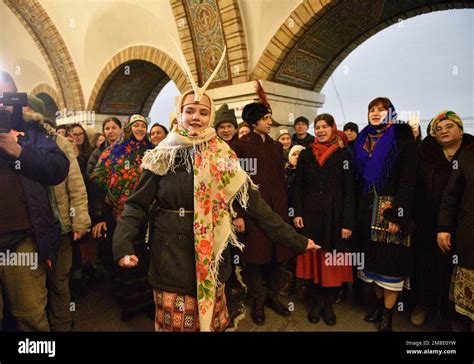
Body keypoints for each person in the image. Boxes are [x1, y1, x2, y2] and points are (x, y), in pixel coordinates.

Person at [112, 49, 318, 332]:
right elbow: (135, 206)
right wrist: (122, 245)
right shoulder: (162, 155)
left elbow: (254, 204)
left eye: (203, 112)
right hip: (171, 261)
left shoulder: (222, 155)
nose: (196, 117)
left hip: (211, 265)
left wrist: (295, 240)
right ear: (180, 114)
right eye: (190, 111)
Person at [0, 71, 70, 330]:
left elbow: (58, 168)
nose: (1, 104)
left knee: (31, 316)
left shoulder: (32, 131)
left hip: (22, 243)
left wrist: (16, 149)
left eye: (6, 97)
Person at [232, 92, 300, 325]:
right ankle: (258, 301)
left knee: (278, 257)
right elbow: (234, 185)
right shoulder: (239, 147)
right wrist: (239, 215)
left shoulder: (274, 146)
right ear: (253, 122)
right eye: (265, 118)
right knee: (255, 259)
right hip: (252, 213)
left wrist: (287, 212)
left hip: (278, 211)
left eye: (269, 118)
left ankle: (273, 296)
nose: (270, 122)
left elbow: (281, 180)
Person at [354, 97, 417, 332]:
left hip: (391, 211)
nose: (376, 113)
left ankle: (388, 317)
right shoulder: (363, 138)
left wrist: (399, 215)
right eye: (371, 109)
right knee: (373, 267)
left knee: (390, 266)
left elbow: (408, 181)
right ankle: (379, 308)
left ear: (391, 113)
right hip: (367, 210)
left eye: (381, 110)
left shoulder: (401, 137)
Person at [411, 111, 473, 328]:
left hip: (462, 225)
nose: (443, 131)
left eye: (448, 126)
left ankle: (455, 313)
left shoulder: (470, 153)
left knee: (455, 270)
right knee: (425, 266)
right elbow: (412, 186)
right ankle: (422, 304)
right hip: (427, 222)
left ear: (460, 129)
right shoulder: (425, 153)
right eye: (438, 128)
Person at [293, 114, 355, 326]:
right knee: (313, 260)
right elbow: (297, 186)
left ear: (332, 129)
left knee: (330, 262)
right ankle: (316, 303)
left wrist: (347, 223)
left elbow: (349, 192)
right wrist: (297, 213)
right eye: (317, 127)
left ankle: (328, 305)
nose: (319, 130)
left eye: (324, 127)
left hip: (335, 217)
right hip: (310, 216)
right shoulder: (306, 155)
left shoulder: (344, 155)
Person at [92, 114, 154, 320]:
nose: (140, 129)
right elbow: (97, 181)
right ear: (128, 128)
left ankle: (147, 304)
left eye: (143, 126)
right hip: (118, 216)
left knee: (144, 260)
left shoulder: (151, 152)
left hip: (145, 215)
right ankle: (129, 305)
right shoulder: (112, 152)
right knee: (125, 260)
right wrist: (102, 211)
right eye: (136, 125)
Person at [438, 141, 474, 332]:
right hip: (470, 235)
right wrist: (444, 227)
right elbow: (451, 194)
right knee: (467, 301)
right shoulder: (468, 154)